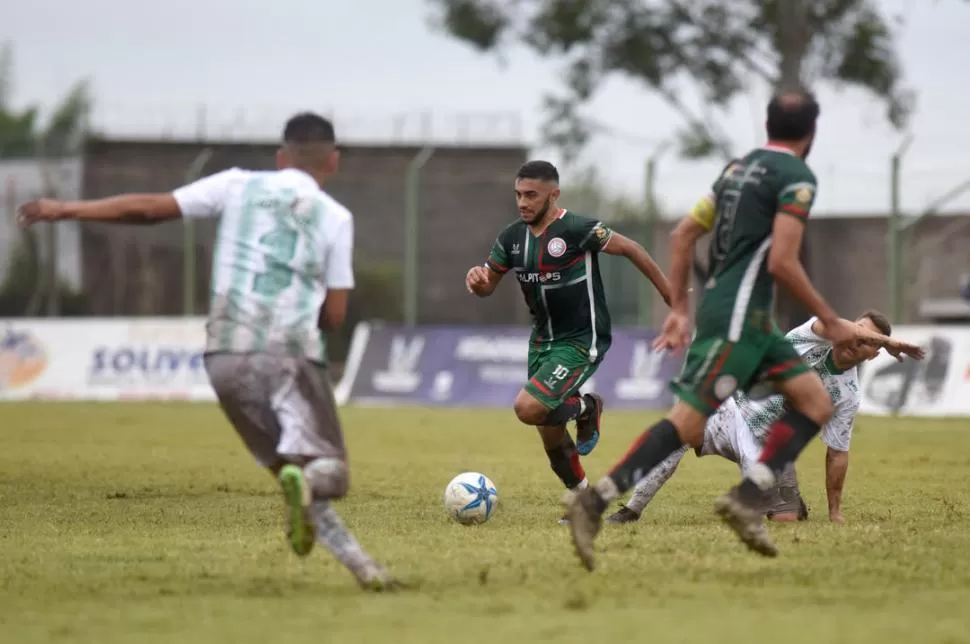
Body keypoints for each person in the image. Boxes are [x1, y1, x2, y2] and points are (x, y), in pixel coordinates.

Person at [18, 112, 398, 591]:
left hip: (224, 356)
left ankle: (365, 570)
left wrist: (65, 210)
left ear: (281, 157)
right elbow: (337, 312)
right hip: (289, 353)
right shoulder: (335, 216)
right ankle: (335, 521)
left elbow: (150, 209)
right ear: (333, 160)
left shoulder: (237, 185)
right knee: (331, 474)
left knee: (293, 475)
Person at [562, 90, 925, 569]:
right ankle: (596, 502)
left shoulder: (735, 170)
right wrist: (833, 321)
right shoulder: (797, 176)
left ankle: (745, 497)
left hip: (748, 318)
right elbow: (782, 261)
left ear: (769, 125)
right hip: (739, 318)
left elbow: (683, 234)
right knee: (687, 425)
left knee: (815, 401)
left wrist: (678, 311)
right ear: (810, 135)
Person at [465, 160, 672, 521]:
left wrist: (676, 303)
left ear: (553, 195)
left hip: (580, 339)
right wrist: (478, 281)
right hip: (542, 341)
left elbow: (634, 250)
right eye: (518, 195)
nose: (523, 203)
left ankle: (588, 408)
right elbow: (487, 286)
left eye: (532, 195)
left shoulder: (578, 229)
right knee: (549, 434)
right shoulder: (511, 238)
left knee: (528, 408)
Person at [607, 310, 893, 525]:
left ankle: (786, 496)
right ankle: (631, 509)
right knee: (678, 433)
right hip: (729, 409)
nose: (858, 340)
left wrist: (835, 512)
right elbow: (828, 321)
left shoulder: (848, 393)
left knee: (783, 517)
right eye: (858, 331)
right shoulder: (811, 337)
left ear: (874, 355)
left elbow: (837, 452)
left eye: (867, 341)